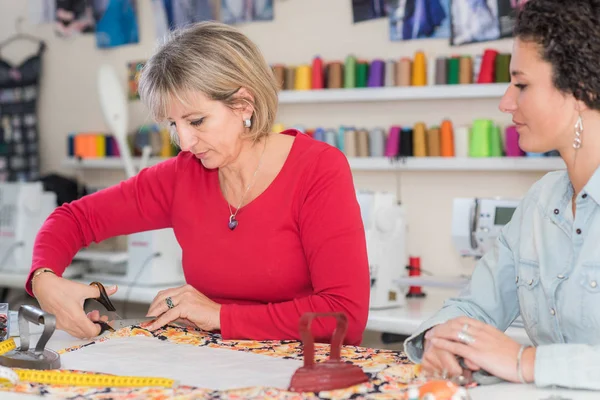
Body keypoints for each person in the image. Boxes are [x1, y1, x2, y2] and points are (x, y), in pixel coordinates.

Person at [27, 21, 370, 345]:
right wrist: (45, 281)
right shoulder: (182, 175)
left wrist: (220, 316)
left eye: (196, 121)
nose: (185, 142)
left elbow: (344, 314)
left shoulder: (317, 169)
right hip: (212, 368)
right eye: (174, 125)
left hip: (303, 372)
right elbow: (74, 219)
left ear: (243, 104)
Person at [404, 0, 600, 390]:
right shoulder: (539, 204)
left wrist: (523, 360)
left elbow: (519, 360)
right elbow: (473, 307)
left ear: (580, 88)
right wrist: (441, 341)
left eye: (522, 84)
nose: (506, 102)